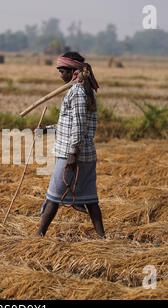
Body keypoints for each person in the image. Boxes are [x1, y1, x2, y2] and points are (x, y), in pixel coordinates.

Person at [37, 51, 105, 238]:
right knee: (90, 199)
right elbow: (68, 124)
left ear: (72, 71)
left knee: (53, 196)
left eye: (62, 71)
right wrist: (47, 130)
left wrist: (72, 154)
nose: (60, 75)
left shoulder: (77, 92)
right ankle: (102, 237)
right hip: (84, 154)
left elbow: (79, 125)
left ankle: (39, 235)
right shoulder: (83, 90)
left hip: (72, 154)